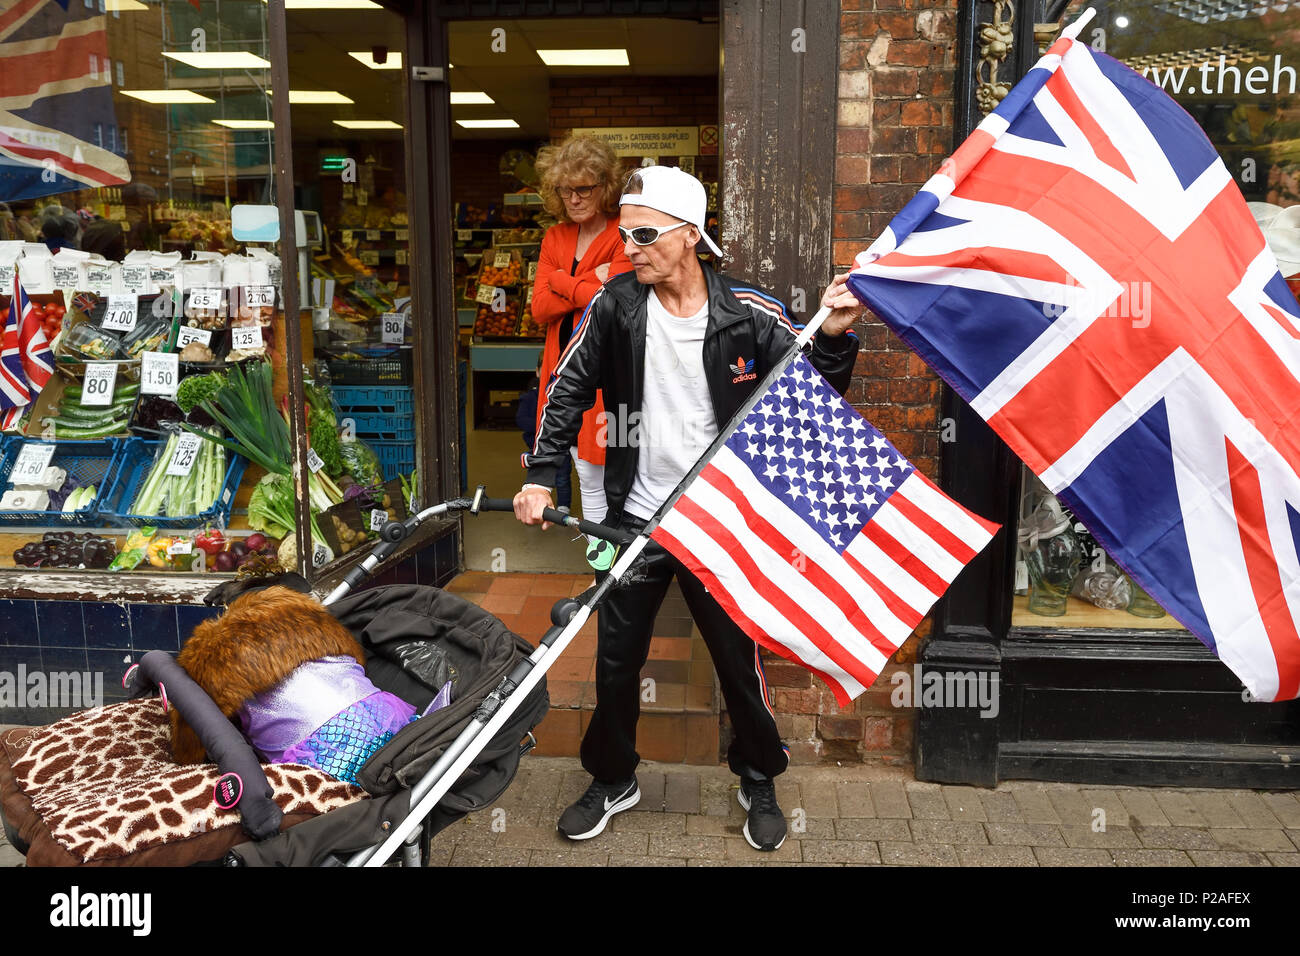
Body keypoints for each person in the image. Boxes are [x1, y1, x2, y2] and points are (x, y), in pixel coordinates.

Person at [514, 165, 862, 851]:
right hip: (635, 518)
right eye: (624, 234)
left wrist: (834, 337)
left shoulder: (749, 314)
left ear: (690, 236)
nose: (628, 247)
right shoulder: (614, 306)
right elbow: (565, 387)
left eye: (642, 234)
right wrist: (543, 474)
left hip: (718, 522)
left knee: (738, 659)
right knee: (616, 660)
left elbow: (809, 399)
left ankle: (759, 773)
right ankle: (613, 777)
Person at [528, 134, 633, 564]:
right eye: (564, 189)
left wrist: (561, 280)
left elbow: (614, 302)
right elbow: (538, 309)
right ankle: (601, 569)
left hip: (605, 373)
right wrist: (592, 279)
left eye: (584, 188)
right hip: (561, 370)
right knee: (579, 468)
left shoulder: (622, 234)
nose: (573, 198)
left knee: (600, 470)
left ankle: (616, 568)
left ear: (605, 187)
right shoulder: (555, 236)